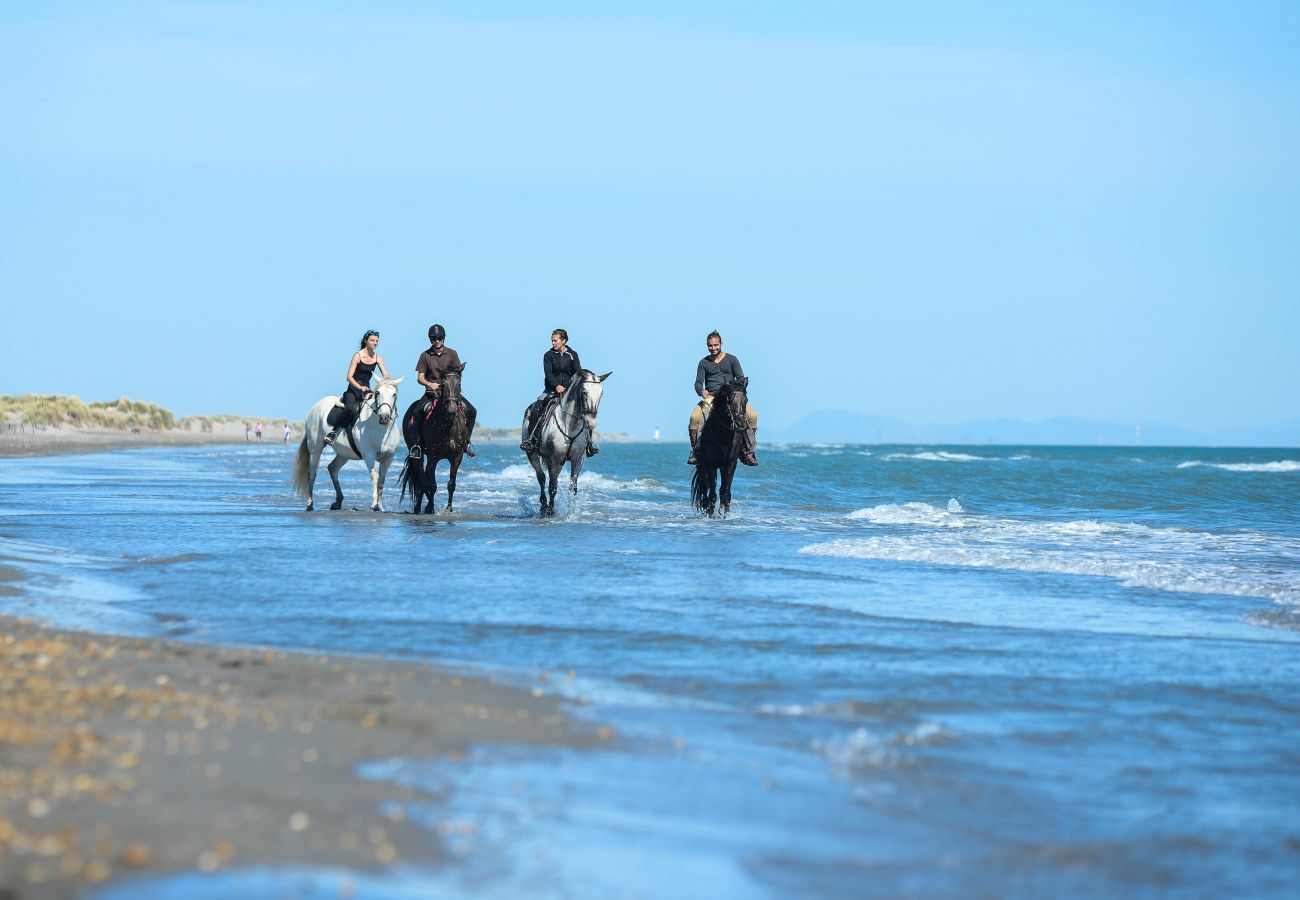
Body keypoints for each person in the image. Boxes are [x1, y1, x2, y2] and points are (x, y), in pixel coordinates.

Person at [519, 328, 598, 456]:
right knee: (538, 407)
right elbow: (548, 373)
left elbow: (577, 372)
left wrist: (574, 385)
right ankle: (531, 440)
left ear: (564, 341)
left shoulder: (573, 355)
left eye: (555, 341)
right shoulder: (548, 355)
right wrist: (556, 386)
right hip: (550, 390)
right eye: (552, 341)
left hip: (569, 392)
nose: (553, 343)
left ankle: (589, 443)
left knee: (585, 409)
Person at [402, 324, 477, 457]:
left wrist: (453, 385)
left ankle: (467, 442)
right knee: (416, 412)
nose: (437, 340)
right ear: (430, 339)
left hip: (451, 394)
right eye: (434, 338)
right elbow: (420, 378)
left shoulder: (452, 353)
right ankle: (417, 446)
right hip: (432, 393)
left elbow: (458, 373)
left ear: (444, 338)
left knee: (472, 410)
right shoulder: (425, 355)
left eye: (440, 338)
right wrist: (430, 384)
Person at [688, 330, 758, 466]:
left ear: (721, 344)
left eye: (716, 345)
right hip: (711, 397)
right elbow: (698, 382)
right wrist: (701, 391)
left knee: (752, 416)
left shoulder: (732, 359)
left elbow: (741, 378)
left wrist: (736, 390)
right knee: (695, 418)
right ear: (707, 346)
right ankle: (696, 452)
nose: (713, 348)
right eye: (710, 346)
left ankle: (747, 450)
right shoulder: (703, 362)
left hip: (731, 397)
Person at [324, 330, 390, 445]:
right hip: (354, 388)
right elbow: (349, 377)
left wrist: (387, 382)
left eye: (377, 341)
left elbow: (385, 374)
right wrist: (360, 388)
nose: (375, 343)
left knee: (378, 407)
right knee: (349, 408)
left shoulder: (377, 357)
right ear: (366, 341)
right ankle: (334, 431)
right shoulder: (358, 355)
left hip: (367, 389)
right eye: (372, 340)